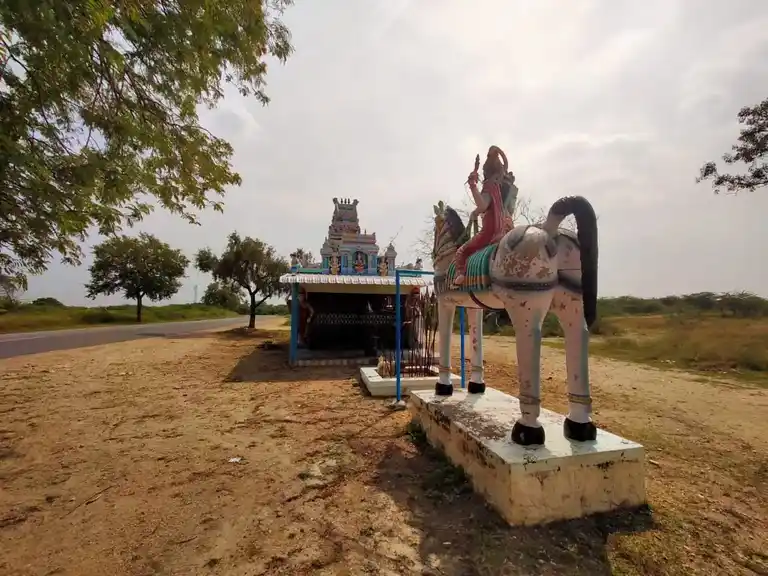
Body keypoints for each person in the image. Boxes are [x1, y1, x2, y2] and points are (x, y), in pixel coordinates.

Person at [454, 145, 512, 285]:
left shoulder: (489, 187)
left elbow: (482, 205)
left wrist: (472, 185)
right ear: (498, 174)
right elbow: (505, 165)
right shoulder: (498, 189)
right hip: (501, 233)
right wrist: (498, 151)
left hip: (489, 234)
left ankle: (460, 275)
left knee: (461, 252)